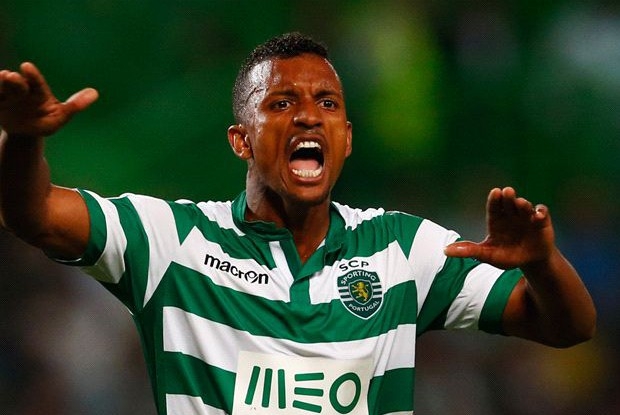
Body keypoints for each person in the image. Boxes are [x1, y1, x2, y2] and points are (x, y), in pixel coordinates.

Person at [0, 32, 596, 415]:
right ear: (241, 140)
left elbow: (569, 327)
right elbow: (34, 214)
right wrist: (23, 141)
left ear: (347, 139)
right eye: (281, 103)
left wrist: (543, 264)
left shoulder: (404, 248)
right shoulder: (172, 242)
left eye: (327, 103)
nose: (309, 116)